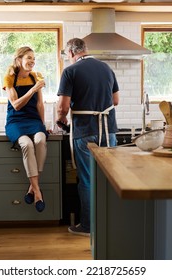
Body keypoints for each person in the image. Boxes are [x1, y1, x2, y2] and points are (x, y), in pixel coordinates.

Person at [56, 38, 119, 236]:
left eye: (67, 56)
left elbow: (62, 107)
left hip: (85, 131)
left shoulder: (70, 71)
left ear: (72, 53)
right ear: (85, 50)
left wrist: (61, 119)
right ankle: (110, 223)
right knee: (109, 179)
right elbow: (115, 100)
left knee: (87, 179)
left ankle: (88, 226)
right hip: (109, 131)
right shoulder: (106, 68)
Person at [3, 46, 48, 212]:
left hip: (34, 120)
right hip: (16, 121)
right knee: (27, 144)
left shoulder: (36, 77)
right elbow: (16, 105)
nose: (32, 61)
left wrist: (43, 125)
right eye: (29, 57)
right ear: (19, 60)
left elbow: (40, 104)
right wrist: (33, 89)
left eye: (34, 58)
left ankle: (32, 187)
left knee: (40, 140)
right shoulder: (9, 79)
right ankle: (37, 192)